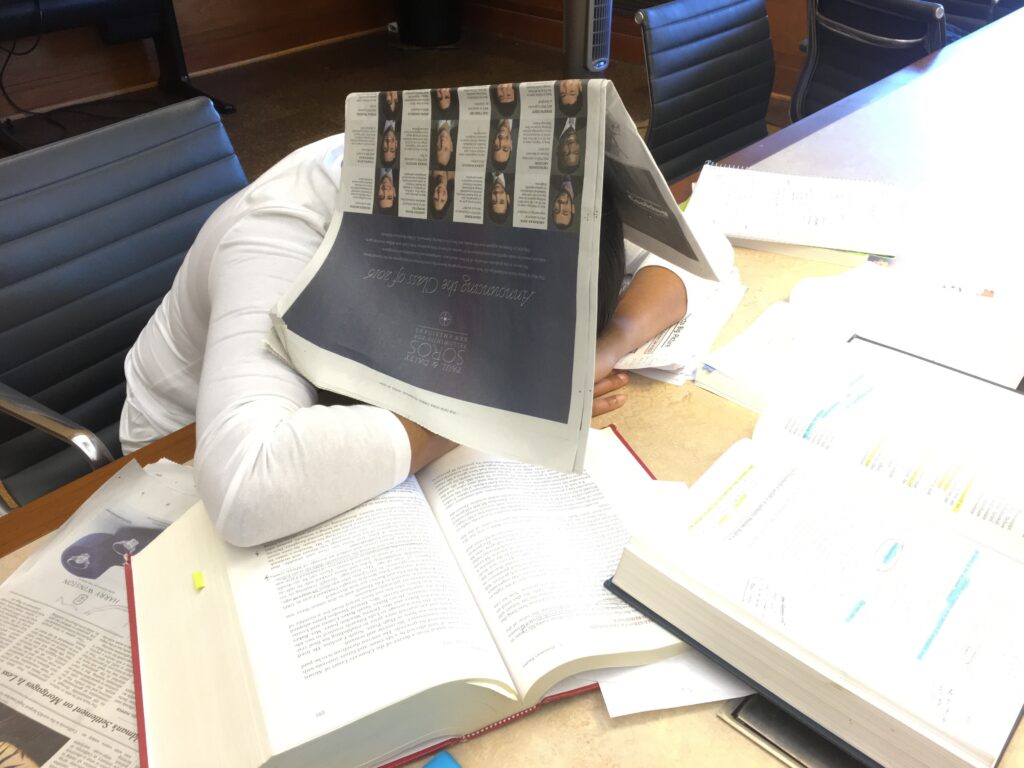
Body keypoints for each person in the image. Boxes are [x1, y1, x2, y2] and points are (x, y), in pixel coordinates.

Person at [120, 134, 687, 547]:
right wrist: (514, 398)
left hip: (354, 392)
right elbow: (247, 484)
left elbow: (684, 260)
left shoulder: (517, 195)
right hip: (179, 451)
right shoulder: (283, 229)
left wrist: (601, 350)